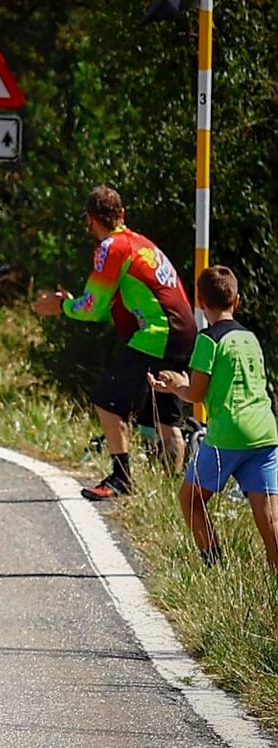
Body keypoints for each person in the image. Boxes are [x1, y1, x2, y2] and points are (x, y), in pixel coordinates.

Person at [33, 186, 196, 500]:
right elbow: (108, 307)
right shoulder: (140, 243)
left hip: (158, 333)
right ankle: (171, 494)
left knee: (106, 399)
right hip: (184, 330)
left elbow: (93, 307)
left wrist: (63, 307)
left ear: (90, 220)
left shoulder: (112, 246)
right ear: (121, 214)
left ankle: (122, 478)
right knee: (163, 418)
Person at [147, 266, 278, 569]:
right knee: (269, 516)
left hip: (228, 433)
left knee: (190, 500)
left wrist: (175, 386)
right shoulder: (251, 338)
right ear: (238, 300)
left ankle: (215, 566)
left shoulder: (208, 339)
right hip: (266, 431)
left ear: (199, 300)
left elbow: (196, 394)